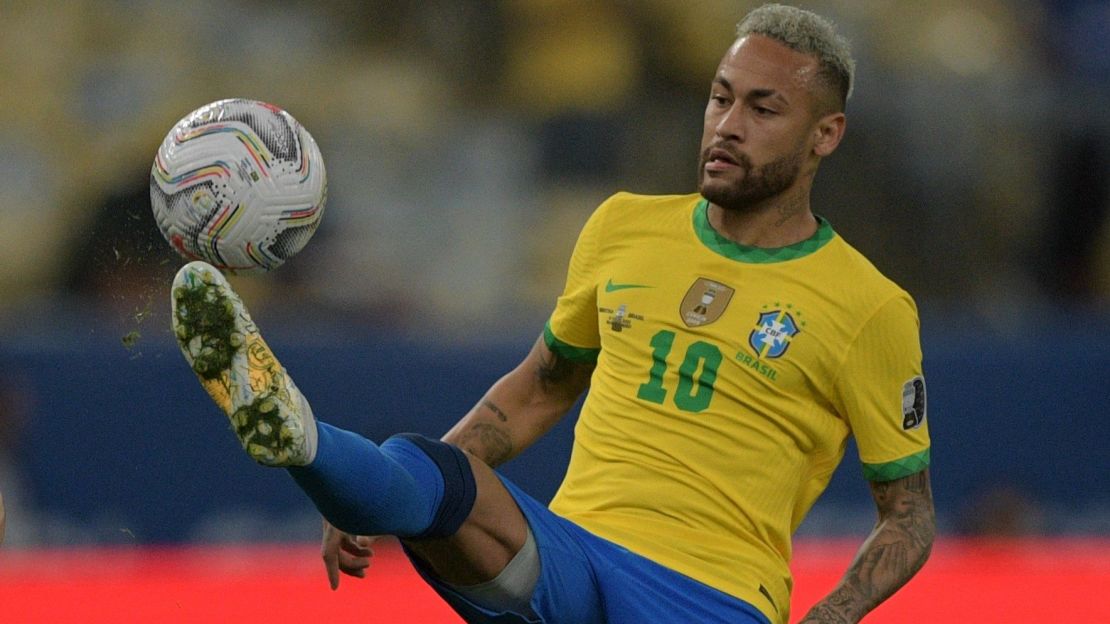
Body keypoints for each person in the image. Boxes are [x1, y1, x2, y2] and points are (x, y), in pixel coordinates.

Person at [170, 4, 934, 623]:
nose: (728, 124)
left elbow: (907, 518)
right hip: (574, 557)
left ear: (824, 135)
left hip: (710, 598)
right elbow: (540, 387)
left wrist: (830, 618)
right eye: (720, 96)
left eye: (763, 108)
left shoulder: (868, 307)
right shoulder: (624, 227)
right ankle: (308, 446)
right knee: (432, 470)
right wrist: (376, 494)